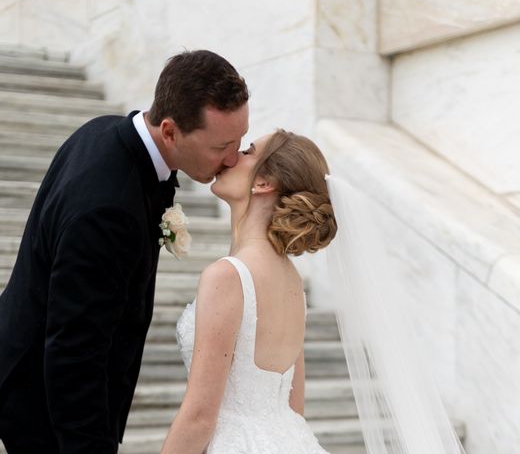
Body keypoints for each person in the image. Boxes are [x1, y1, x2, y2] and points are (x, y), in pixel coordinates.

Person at [0, 50, 249, 454]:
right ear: (170, 131)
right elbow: (73, 352)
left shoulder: (104, 130)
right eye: (223, 145)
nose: (234, 157)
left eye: (241, 140)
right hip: (43, 404)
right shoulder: (108, 211)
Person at [162, 129, 337, 453]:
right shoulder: (292, 282)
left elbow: (200, 417)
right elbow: (293, 406)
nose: (231, 157)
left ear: (264, 183)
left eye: (247, 152)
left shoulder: (228, 276)